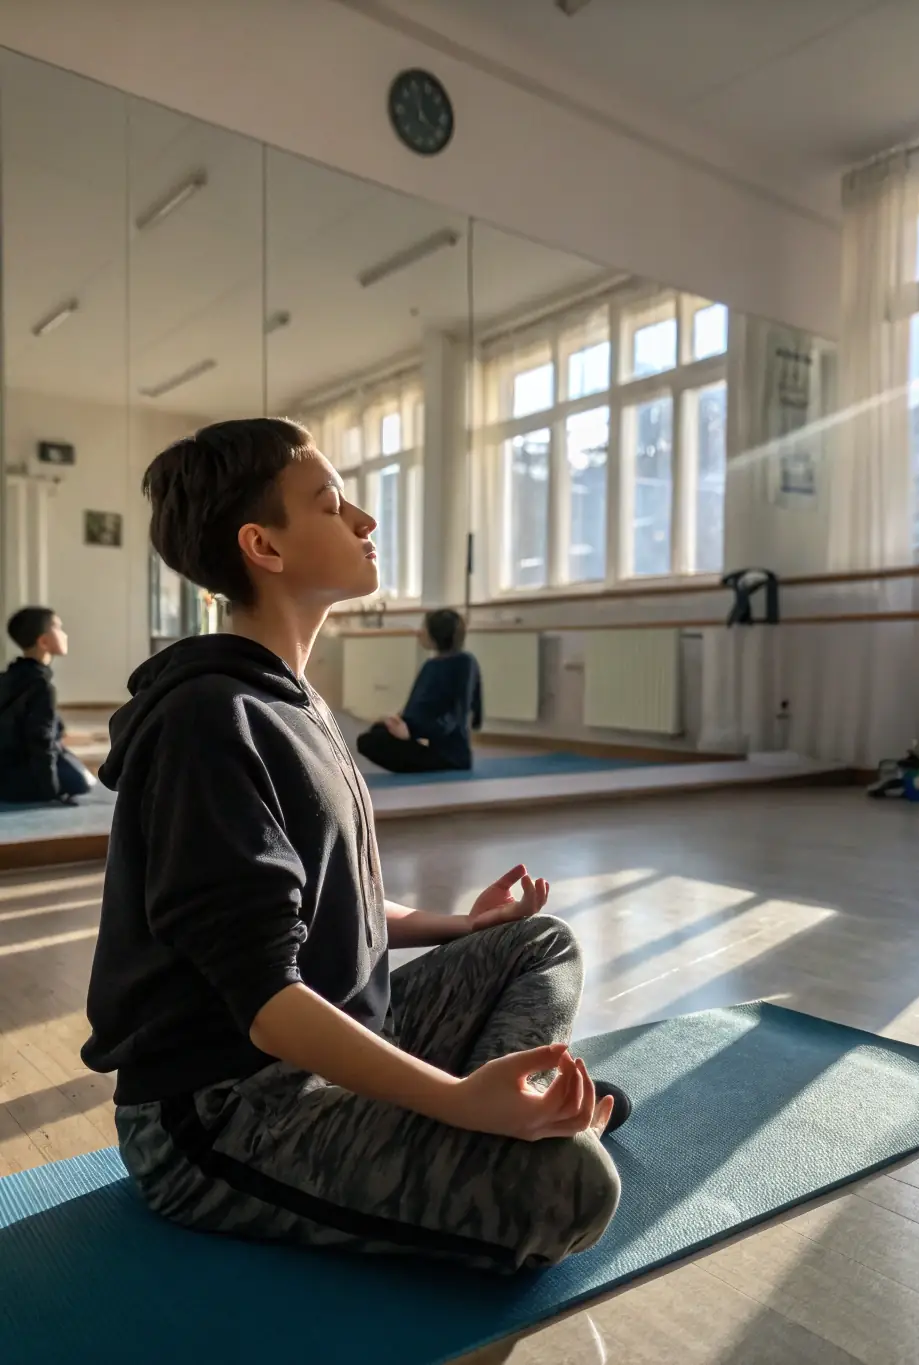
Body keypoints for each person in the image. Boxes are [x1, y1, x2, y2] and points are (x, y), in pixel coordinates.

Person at [81, 418, 625, 1273]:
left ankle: (497, 1114)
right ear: (262, 545)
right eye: (333, 505)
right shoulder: (207, 721)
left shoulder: (292, 702)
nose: (366, 520)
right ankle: (494, 1124)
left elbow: (326, 903)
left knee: (536, 942)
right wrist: (452, 1100)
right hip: (224, 1108)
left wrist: (458, 925)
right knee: (573, 1191)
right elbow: (264, 996)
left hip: (330, 1038)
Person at [356, 608, 481, 774]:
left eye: (424, 628)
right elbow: (416, 705)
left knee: (370, 742)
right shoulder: (431, 665)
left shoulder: (464, 663)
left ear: (437, 634)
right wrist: (397, 721)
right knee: (376, 732)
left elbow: (456, 716)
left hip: (450, 755)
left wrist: (410, 733)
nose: (419, 632)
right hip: (423, 736)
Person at [0, 606, 95, 804]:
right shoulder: (41, 686)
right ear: (43, 641)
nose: (65, 634)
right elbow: (41, 741)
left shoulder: (8, 678)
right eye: (59, 628)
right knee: (83, 782)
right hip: (22, 775)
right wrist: (51, 792)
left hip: (4, 770)